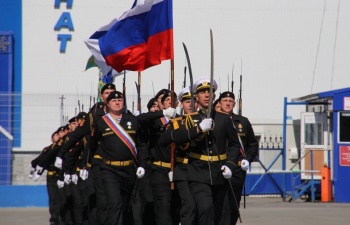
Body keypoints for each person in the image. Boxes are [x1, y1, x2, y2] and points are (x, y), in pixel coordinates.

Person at [159, 77, 241, 225]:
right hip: (197, 172)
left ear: (214, 96)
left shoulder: (224, 119)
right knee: (205, 208)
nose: (207, 95)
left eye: (210, 92)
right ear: (196, 97)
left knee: (221, 212)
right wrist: (198, 129)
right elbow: (173, 137)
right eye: (202, 92)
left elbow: (235, 145)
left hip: (219, 172)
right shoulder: (189, 119)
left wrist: (230, 165)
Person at [56, 83, 116, 225]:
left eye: (112, 92)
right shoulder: (94, 116)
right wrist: (61, 153)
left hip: (119, 165)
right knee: (100, 201)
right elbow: (76, 136)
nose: (110, 95)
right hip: (100, 164)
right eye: (107, 93)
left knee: (116, 202)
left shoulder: (124, 115)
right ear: (102, 96)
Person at [90, 90, 148, 225]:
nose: (117, 102)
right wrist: (88, 165)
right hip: (109, 170)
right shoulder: (101, 123)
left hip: (129, 170)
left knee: (126, 204)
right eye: (113, 101)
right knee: (114, 203)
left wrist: (142, 165)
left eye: (120, 100)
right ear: (107, 104)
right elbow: (92, 146)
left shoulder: (132, 120)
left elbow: (142, 145)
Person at [218, 91, 259, 225]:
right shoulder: (215, 120)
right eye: (225, 100)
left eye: (230, 101)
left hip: (236, 170)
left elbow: (252, 144)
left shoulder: (242, 122)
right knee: (219, 206)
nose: (228, 103)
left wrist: (248, 159)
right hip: (220, 168)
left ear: (234, 104)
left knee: (233, 206)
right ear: (219, 103)